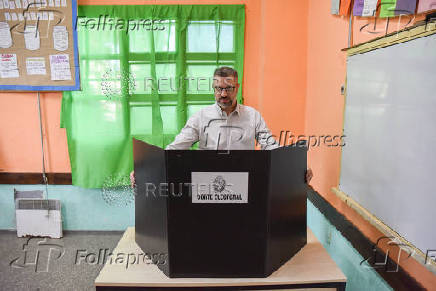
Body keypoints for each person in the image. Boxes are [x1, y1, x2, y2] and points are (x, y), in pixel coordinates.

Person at [130, 67, 313, 186]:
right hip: (207, 184)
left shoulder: (253, 116)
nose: (223, 94)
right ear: (213, 88)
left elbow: (271, 147)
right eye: (218, 89)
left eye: (229, 88)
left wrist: (296, 169)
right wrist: (145, 170)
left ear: (237, 87)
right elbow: (176, 147)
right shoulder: (200, 117)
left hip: (244, 183)